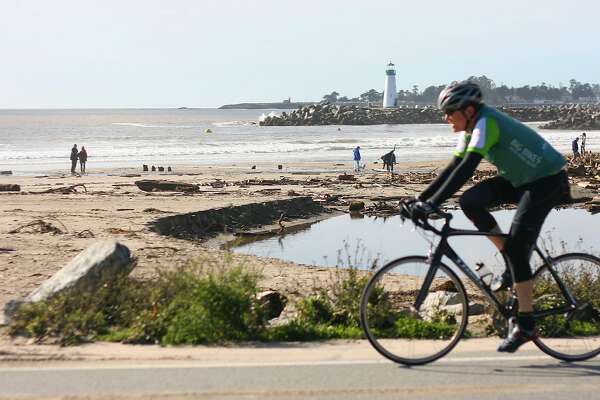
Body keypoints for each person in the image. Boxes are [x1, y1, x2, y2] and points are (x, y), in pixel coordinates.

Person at [409, 81, 569, 353]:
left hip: (546, 182)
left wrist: (433, 203)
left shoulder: (486, 123)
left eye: (450, 111)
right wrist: (420, 200)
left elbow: (467, 169)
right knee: (470, 202)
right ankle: (510, 258)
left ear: (469, 110)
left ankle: (527, 324)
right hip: (521, 180)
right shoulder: (472, 127)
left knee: (520, 250)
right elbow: (453, 166)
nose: (445, 117)